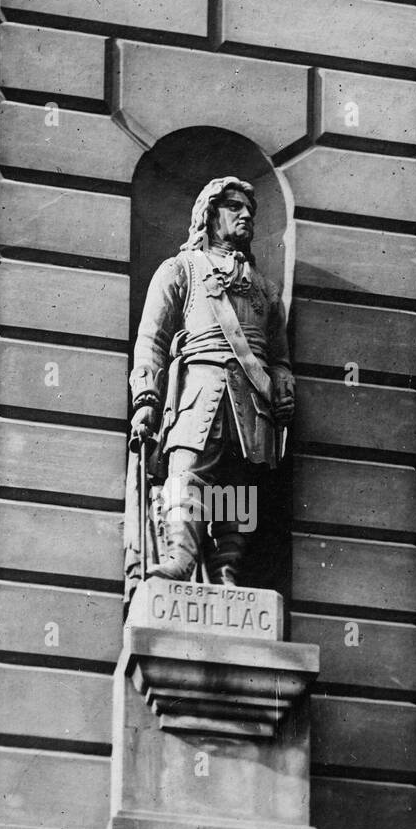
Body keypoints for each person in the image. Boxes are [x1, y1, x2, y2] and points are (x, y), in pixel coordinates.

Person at [128, 175, 294, 585]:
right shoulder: (179, 270)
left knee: (238, 490)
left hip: (252, 401)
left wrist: (284, 383)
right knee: (186, 474)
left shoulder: (267, 291)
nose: (245, 216)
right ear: (209, 213)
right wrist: (146, 397)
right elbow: (152, 337)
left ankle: (226, 573)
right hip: (197, 391)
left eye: (249, 211)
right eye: (234, 207)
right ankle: (181, 559)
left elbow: (279, 357)